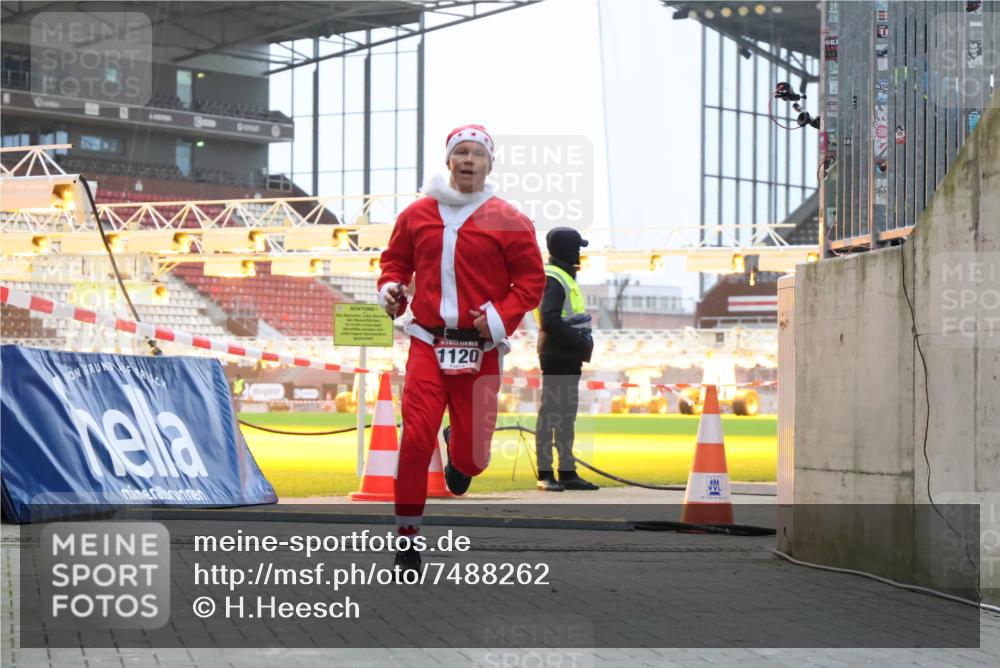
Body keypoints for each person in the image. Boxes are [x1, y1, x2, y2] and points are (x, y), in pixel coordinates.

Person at [378, 124, 545, 572]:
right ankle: (407, 539)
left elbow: (531, 281)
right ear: (448, 161)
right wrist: (392, 288)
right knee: (414, 439)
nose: (469, 160)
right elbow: (395, 261)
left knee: (473, 459)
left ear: (491, 164)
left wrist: (497, 316)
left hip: (481, 350)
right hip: (427, 344)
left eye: (478, 154)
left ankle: (461, 453)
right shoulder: (416, 214)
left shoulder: (509, 219)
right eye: (461, 153)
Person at [534, 228, 599, 492]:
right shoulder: (555, 278)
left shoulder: (564, 276)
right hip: (557, 355)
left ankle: (567, 472)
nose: (579, 252)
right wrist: (579, 341)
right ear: (564, 249)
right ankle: (545, 473)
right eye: (576, 247)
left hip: (567, 356)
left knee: (565, 416)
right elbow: (549, 319)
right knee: (551, 415)